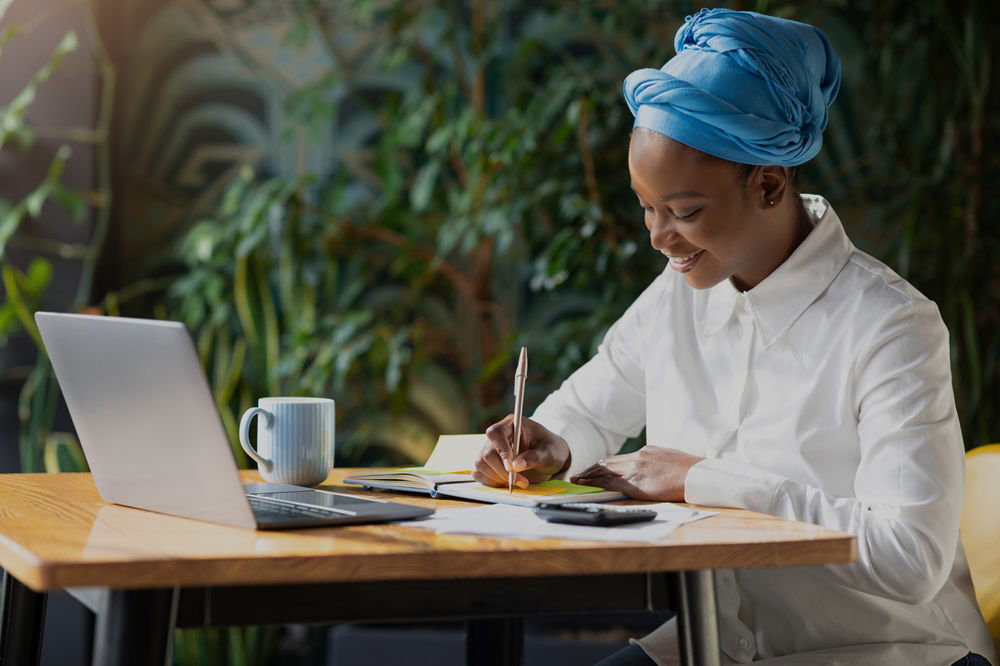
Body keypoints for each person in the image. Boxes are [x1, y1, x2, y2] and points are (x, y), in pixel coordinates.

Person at [472, 8, 997, 666]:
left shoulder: (891, 327)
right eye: (646, 207)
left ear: (770, 184)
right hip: (715, 646)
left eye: (684, 212)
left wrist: (705, 480)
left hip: (886, 650)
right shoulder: (677, 296)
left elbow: (908, 559)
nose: (659, 238)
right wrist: (548, 441)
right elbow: (592, 405)